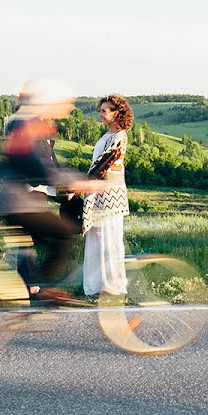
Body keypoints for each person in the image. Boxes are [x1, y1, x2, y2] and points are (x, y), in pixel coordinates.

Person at [0, 80, 105, 301]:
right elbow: (39, 166)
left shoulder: (31, 124)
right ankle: (36, 289)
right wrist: (74, 182)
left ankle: (29, 289)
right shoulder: (27, 125)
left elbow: (48, 163)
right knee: (62, 236)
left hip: (17, 201)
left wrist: (72, 182)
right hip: (20, 201)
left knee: (27, 246)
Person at [82, 95, 133, 297]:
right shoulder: (105, 137)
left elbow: (103, 165)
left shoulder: (120, 136)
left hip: (111, 194)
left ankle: (112, 286)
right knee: (97, 239)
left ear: (116, 113)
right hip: (98, 193)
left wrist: (81, 184)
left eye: (105, 111)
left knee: (110, 239)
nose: (101, 114)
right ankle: (96, 286)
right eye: (101, 110)